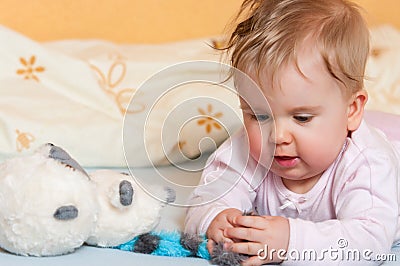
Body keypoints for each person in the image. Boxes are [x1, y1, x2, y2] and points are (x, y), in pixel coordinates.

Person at [184, 0, 400, 265]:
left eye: (301, 117)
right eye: (259, 115)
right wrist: (217, 219)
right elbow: (205, 197)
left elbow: (370, 243)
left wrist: (290, 241)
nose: (277, 136)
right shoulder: (245, 148)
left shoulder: (367, 164)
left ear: (351, 110)